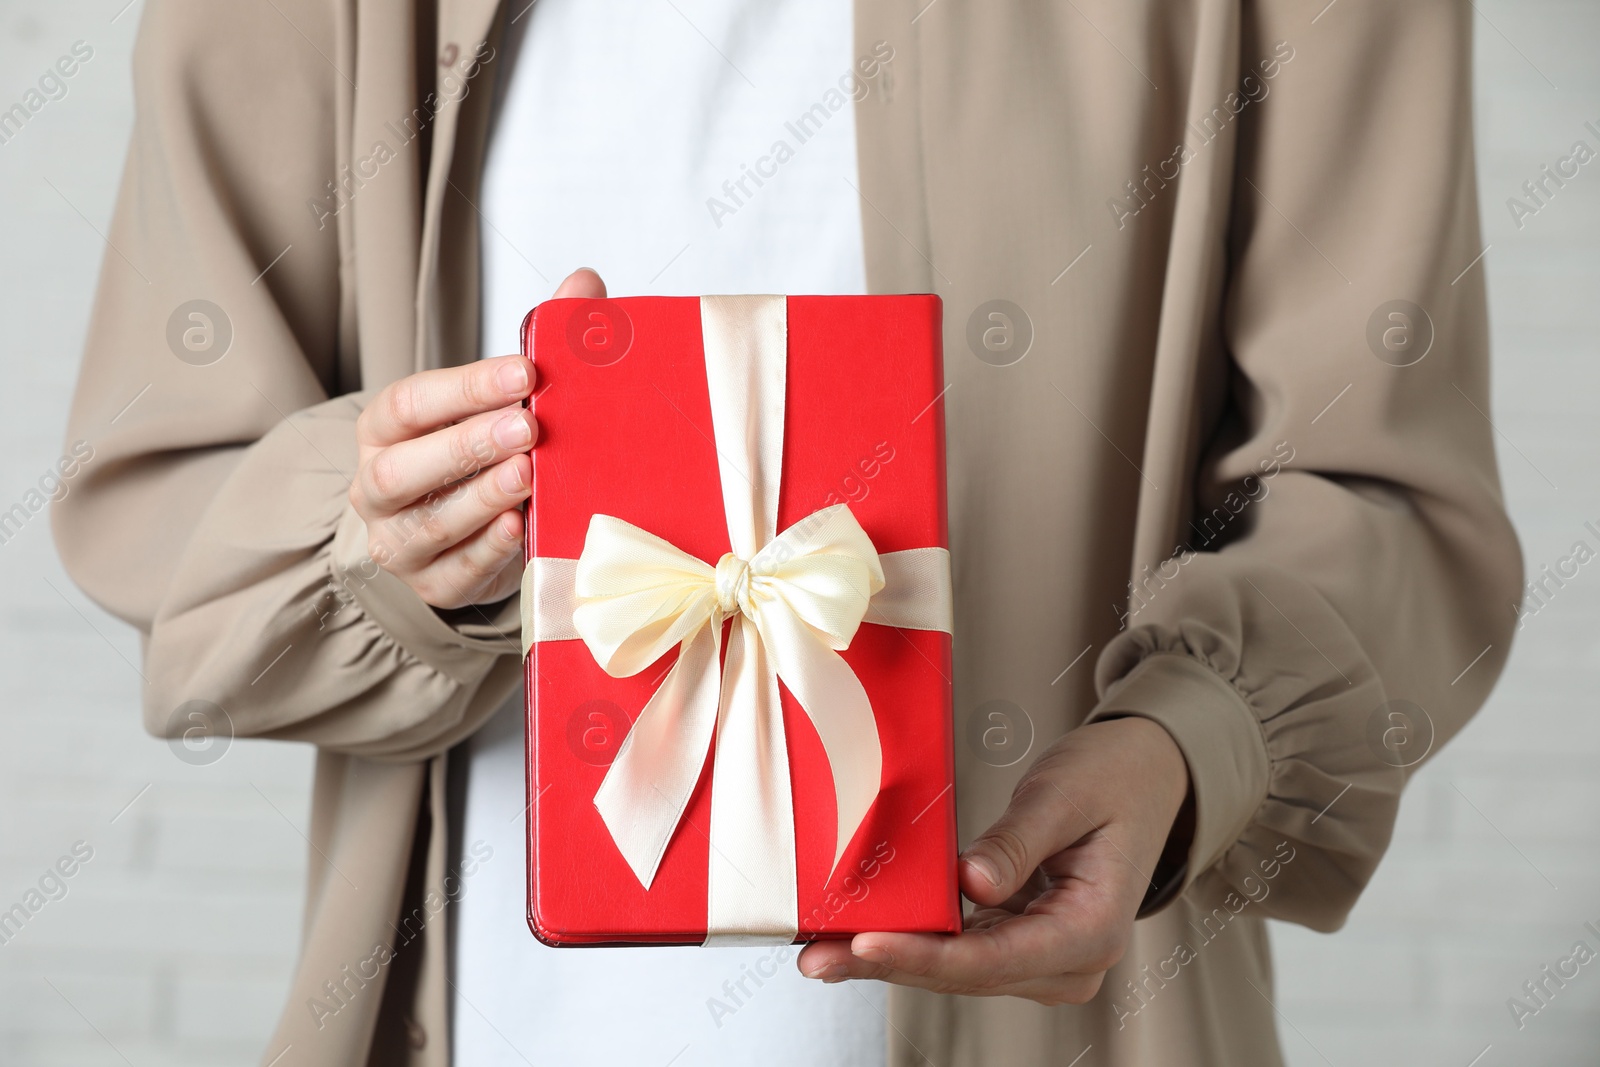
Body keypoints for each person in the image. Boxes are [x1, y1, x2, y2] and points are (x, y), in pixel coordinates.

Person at [53, 0, 1522, 1064]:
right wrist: (378, 536)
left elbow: (1385, 494)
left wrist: (1187, 746)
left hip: (1078, 1026)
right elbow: (170, 496)